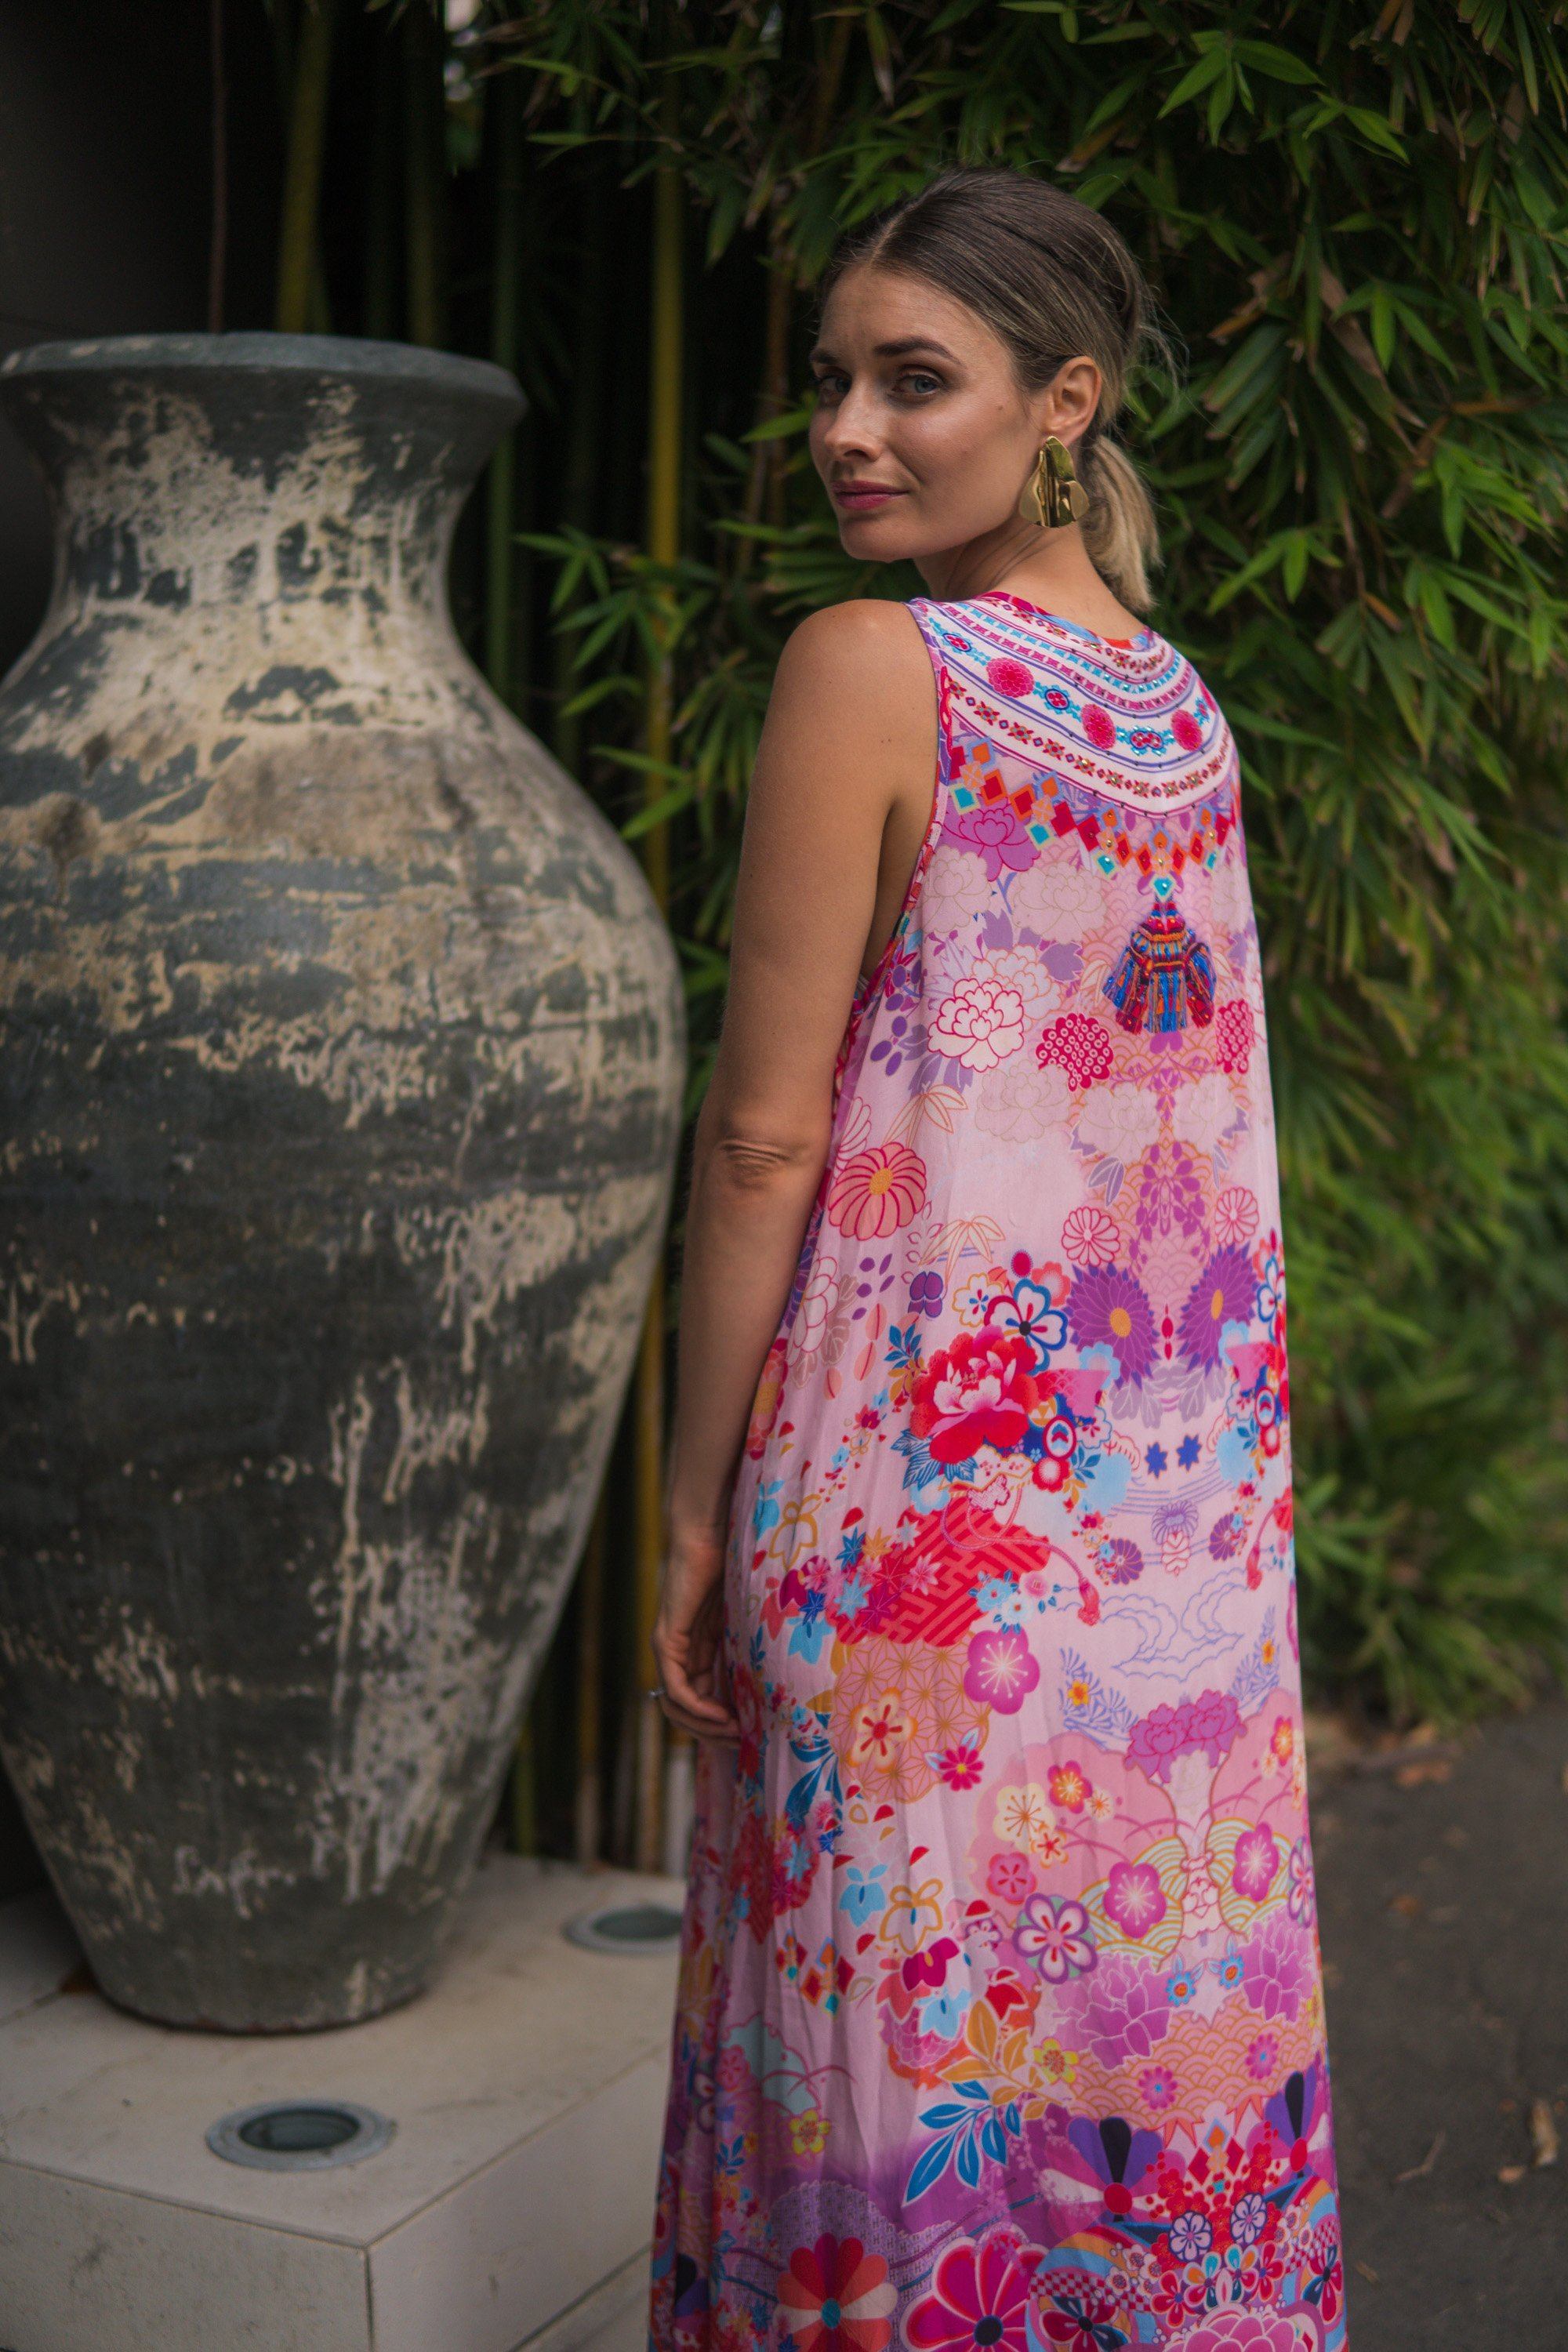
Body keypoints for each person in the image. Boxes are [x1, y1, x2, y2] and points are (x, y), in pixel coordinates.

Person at [646, 165, 1346, 2352]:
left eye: (912, 382)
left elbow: (763, 1137)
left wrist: (687, 1505)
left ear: (1069, 402)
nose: (848, 426)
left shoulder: (871, 668)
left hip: (919, 1528)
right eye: (837, 380)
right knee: (1124, 2041)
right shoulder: (1185, 716)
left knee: (899, 2069)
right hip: (1171, 1559)